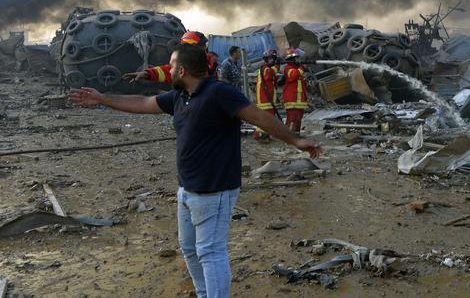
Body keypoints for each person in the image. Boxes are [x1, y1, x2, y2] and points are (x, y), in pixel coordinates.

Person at [68, 45, 323, 298]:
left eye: (172, 65)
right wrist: (104, 99)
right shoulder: (181, 96)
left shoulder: (219, 92)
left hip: (215, 190)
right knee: (189, 248)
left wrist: (296, 141)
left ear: (183, 70)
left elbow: (259, 117)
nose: (169, 70)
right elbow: (144, 102)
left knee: (210, 252)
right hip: (187, 190)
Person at [124, 30, 219, 83]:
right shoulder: (185, 67)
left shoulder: (211, 63)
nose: (204, 49)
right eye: (201, 46)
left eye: (204, 46)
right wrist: (146, 73)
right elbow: (167, 71)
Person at [253, 49, 280, 141]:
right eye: (270, 58)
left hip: (268, 99)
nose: (272, 60)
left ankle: (265, 135)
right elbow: (269, 74)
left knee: (269, 118)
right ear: (266, 59)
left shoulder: (266, 68)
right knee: (265, 118)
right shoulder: (265, 68)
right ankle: (259, 135)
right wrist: (277, 66)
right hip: (264, 99)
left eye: (273, 58)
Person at [281, 48, 309, 133]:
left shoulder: (298, 70)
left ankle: (296, 135)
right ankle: (289, 137)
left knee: (298, 119)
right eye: (297, 58)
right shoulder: (288, 69)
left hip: (299, 100)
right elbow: (294, 75)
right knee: (292, 118)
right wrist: (301, 67)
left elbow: (302, 85)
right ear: (291, 59)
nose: (298, 60)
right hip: (292, 100)